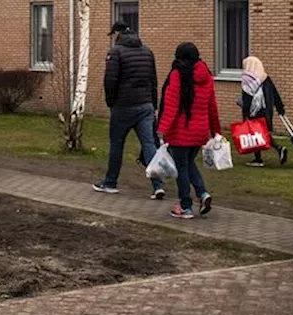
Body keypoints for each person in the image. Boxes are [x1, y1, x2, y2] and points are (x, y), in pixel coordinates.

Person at [94, 22, 164, 198]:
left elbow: (110, 80)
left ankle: (110, 182)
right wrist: (153, 105)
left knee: (117, 144)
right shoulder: (147, 51)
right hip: (146, 105)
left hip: (123, 105)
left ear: (117, 33)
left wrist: (111, 102)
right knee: (149, 144)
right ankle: (157, 185)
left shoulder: (115, 52)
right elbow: (153, 81)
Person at [156, 42, 220, 219]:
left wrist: (162, 129)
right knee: (189, 163)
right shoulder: (206, 76)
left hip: (180, 132)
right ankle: (202, 193)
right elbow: (212, 106)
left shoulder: (177, 75)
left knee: (181, 169)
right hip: (200, 131)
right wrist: (216, 131)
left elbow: (171, 105)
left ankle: (185, 206)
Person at [238, 56, 290, 167]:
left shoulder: (247, 79)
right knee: (261, 133)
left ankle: (266, 155)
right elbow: (275, 94)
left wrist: (245, 114)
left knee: (256, 133)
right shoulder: (265, 78)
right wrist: (280, 108)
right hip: (266, 110)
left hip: (254, 111)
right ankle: (270, 153)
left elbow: (246, 99)